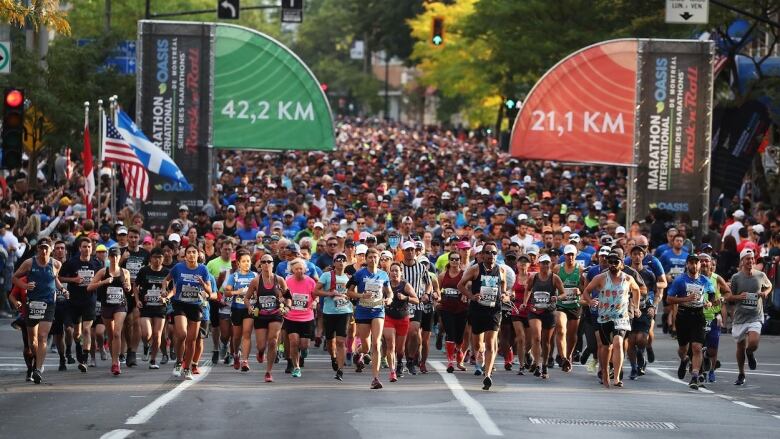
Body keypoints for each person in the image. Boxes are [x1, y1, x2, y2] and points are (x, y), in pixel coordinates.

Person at [583, 249, 640, 388]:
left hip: (621, 317)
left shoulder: (628, 278)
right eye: (610, 262)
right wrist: (590, 302)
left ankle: (617, 375)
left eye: (616, 262)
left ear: (621, 263)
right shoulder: (601, 278)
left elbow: (637, 290)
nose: (613, 264)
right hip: (605, 316)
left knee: (618, 343)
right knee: (605, 347)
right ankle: (604, 372)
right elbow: (585, 291)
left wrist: (636, 306)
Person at [458, 242, 510, 390]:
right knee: (477, 344)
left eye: (494, 253)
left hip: (494, 309)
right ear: (482, 254)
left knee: (491, 341)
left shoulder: (501, 270)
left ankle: (487, 375)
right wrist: (471, 296)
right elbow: (460, 285)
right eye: (488, 253)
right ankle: (479, 356)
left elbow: (504, 288)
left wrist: (505, 295)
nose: (491, 256)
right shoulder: (475, 269)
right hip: (477, 310)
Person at [12, 238, 64, 384]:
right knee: (32, 341)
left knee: (42, 336)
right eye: (41, 248)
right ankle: (37, 360)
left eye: (47, 248)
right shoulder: (29, 263)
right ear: (38, 249)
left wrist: (62, 289)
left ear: (51, 249)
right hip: (32, 304)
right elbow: (14, 277)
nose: (44, 250)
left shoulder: (56, 264)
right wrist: (24, 285)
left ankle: (38, 369)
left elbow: (55, 278)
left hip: (48, 304)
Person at [666, 253, 716, 389]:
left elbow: (712, 294)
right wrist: (685, 299)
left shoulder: (705, 280)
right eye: (691, 263)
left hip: (698, 315)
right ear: (687, 265)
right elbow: (669, 299)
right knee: (683, 348)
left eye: (696, 263)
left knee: (697, 347)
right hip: (683, 315)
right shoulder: (680, 280)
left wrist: (709, 303)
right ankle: (684, 359)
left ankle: (694, 376)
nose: (694, 265)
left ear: (699, 265)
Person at [163, 245, 214, 380]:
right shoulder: (178, 267)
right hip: (180, 304)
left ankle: (187, 368)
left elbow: (210, 291)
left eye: (194, 252)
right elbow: (166, 280)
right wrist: (164, 290)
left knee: (191, 340)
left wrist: (203, 284)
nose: (191, 254)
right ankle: (179, 362)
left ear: (198, 255)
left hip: (195, 305)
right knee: (182, 334)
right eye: (189, 252)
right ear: (185, 255)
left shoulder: (203, 269)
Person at [725, 248, 772, 385]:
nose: (750, 261)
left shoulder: (760, 275)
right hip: (740, 317)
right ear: (742, 261)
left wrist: (765, 293)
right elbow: (728, 296)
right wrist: (738, 297)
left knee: (753, 343)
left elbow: (769, 286)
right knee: (740, 347)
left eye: (752, 258)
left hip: (755, 316)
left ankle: (750, 353)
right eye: (747, 259)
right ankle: (741, 373)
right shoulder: (736, 278)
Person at [347, 248, 392, 389]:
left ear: (379, 259)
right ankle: (359, 352)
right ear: (366, 259)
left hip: (378, 310)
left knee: (376, 343)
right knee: (366, 347)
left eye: (375, 257)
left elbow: (389, 292)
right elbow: (349, 292)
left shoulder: (384, 275)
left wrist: (389, 299)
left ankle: (375, 378)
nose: (373, 259)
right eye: (370, 257)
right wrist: (361, 296)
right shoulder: (359, 274)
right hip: (362, 311)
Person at [59, 237, 101, 373]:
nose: (87, 249)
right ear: (79, 248)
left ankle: (84, 360)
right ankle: (78, 345)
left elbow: (103, 278)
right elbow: (59, 277)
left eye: (89, 246)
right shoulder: (72, 263)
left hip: (90, 300)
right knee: (76, 334)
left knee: (87, 330)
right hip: (74, 301)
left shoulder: (96, 263)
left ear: (92, 248)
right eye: (84, 246)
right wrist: (73, 279)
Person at [88, 246, 132, 376]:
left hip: (120, 305)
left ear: (119, 258)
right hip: (107, 306)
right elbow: (89, 287)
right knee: (111, 335)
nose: (114, 259)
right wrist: (104, 282)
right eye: (112, 256)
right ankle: (114, 359)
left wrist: (128, 287)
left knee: (117, 333)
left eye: (116, 256)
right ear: (109, 257)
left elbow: (128, 288)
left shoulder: (125, 272)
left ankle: (115, 362)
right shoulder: (103, 272)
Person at [245, 254, 287, 383]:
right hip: (261, 315)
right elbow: (247, 298)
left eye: (269, 261)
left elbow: (288, 295)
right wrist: (249, 307)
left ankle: (268, 372)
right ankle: (260, 352)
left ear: (273, 264)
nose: (266, 264)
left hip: (275, 314)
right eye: (263, 262)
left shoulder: (279, 279)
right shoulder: (256, 281)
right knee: (261, 346)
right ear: (260, 265)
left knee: (273, 341)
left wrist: (286, 306)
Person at [522, 253, 564, 380]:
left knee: (546, 341)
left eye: (547, 263)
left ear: (550, 264)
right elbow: (527, 290)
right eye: (543, 263)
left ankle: (544, 364)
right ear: (539, 264)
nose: (545, 265)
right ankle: (537, 363)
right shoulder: (533, 278)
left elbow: (563, 293)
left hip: (549, 311)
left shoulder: (554, 278)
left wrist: (556, 297)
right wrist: (525, 302)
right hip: (535, 310)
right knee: (536, 337)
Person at [315, 252, 353, 380]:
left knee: (341, 341)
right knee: (331, 342)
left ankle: (340, 370)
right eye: (338, 259)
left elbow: (354, 293)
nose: (341, 262)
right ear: (334, 262)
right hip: (329, 312)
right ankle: (333, 357)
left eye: (343, 260)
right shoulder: (327, 275)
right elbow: (315, 291)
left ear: (346, 263)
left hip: (345, 312)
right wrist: (329, 293)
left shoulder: (349, 278)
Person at [133, 247, 170, 369]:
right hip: (146, 307)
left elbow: (173, 289)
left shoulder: (167, 272)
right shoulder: (144, 271)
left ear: (163, 259)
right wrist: (137, 300)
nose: (157, 260)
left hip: (160, 307)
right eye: (155, 257)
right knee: (146, 334)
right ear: (150, 259)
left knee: (157, 334)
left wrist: (166, 298)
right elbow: (135, 285)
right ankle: (146, 345)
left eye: (160, 258)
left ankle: (153, 360)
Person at [382, 262, 419, 382]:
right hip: (389, 317)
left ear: (401, 272)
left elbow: (416, 300)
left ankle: (399, 364)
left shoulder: (405, 285)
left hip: (403, 318)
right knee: (390, 344)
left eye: (397, 270)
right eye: (392, 271)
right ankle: (392, 371)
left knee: (400, 348)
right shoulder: (385, 285)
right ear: (389, 273)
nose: (394, 273)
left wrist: (405, 298)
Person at [283, 258, 318, 378]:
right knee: (293, 342)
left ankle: (304, 351)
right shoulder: (287, 281)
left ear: (305, 269)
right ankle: (296, 367)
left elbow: (316, 296)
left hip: (307, 318)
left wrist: (315, 302)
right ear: (292, 270)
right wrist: (284, 304)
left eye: (301, 268)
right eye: (296, 269)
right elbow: (283, 296)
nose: (299, 271)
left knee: (304, 345)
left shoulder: (311, 281)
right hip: (291, 317)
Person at [225, 251, 258, 372]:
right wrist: (237, 292)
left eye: (248, 261)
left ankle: (245, 360)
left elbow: (259, 290)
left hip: (250, 308)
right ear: (238, 263)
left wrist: (254, 293)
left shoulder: (255, 275)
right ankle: (235, 354)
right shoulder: (234, 276)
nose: (246, 264)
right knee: (237, 336)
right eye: (243, 261)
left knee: (247, 333)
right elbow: (227, 292)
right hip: (237, 308)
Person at [699, 252, 730, 383]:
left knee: (712, 349)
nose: (705, 263)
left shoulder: (717, 278)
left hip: (713, 317)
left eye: (707, 261)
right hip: (697, 316)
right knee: (697, 345)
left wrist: (722, 298)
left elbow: (728, 292)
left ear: (711, 263)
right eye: (702, 261)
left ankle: (710, 366)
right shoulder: (693, 278)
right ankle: (701, 371)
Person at [552, 244, 582, 372]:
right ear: (564, 255)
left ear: (575, 255)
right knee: (561, 329)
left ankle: (569, 355)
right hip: (561, 305)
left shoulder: (580, 269)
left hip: (574, 305)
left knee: (571, 334)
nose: (570, 257)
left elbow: (584, 289)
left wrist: (579, 290)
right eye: (568, 254)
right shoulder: (558, 268)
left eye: (572, 255)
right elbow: (551, 284)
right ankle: (563, 357)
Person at [439, 252, 468, 373]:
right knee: (450, 333)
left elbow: (469, 285)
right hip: (446, 308)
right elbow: (437, 289)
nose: (455, 261)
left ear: (460, 261)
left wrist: (466, 294)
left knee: (459, 336)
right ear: (449, 261)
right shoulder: (442, 275)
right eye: (452, 259)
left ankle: (459, 354)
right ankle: (450, 361)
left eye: (457, 259)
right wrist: (437, 299)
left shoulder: (464, 275)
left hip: (461, 309)